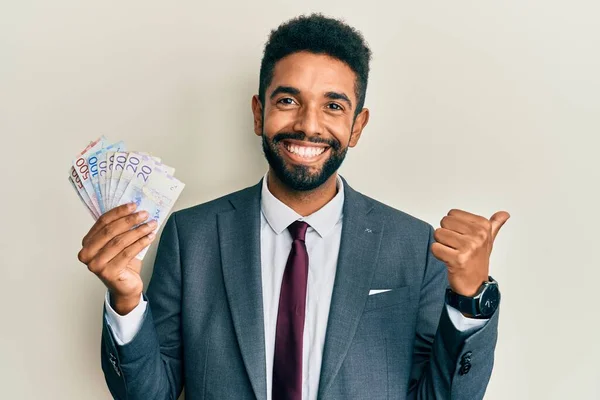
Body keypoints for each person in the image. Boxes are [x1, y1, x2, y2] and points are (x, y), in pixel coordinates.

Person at [77, 13, 510, 400]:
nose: (308, 125)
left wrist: (470, 300)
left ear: (357, 126)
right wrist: (127, 302)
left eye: (334, 106)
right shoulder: (191, 238)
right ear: (258, 113)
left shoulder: (415, 246)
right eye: (287, 101)